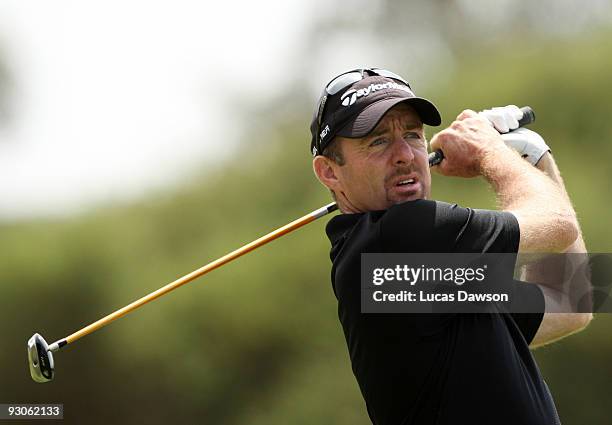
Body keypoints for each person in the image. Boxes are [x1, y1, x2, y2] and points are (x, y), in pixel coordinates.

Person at [309, 68, 592, 425]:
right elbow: (558, 223)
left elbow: (573, 301)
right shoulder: (395, 240)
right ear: (330, 172)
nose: (405, 155)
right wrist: (490, 151)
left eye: (412, 135)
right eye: (378, 141)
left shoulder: (422, 272)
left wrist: (533, 156)